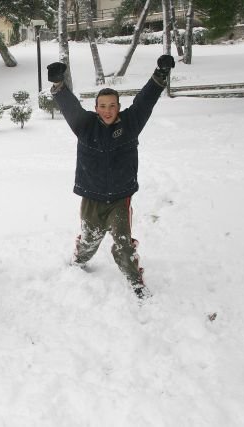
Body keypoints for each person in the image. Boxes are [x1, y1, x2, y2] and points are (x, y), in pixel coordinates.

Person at [47, 54, 176, 300]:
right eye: (102, 106)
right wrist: (58, 85)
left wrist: (160, 74)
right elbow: (70, 106)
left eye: (112, 105)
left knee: (123, 243)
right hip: (92, 197)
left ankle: (135, 281)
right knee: (89, 239)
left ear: (119, 106)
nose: (107, 110)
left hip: (119, 197)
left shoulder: (131, 123)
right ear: (96, 108)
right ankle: (79, 260)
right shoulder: (85, 124)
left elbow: (145, 101)